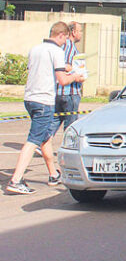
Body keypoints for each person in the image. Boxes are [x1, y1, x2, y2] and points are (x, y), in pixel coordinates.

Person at [5, 22, 85, 194]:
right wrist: (75, 77)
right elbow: (62, 80)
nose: (65, 43)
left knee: (45, 137)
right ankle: (16, 180)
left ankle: (53, 174)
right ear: (61, 35)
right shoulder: (56, 51)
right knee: (34, 140)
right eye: (64, 40)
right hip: (44, 100)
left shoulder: (35, 49)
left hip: (30, 98)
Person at [51, 21, 83, 135]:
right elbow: (65, 66)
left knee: (54, 121)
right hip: (69, 92)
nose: (81, 34)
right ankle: (68, 144)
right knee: (70, 125)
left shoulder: (61, 46)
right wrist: (78, 74)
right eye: (80, 31)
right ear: (73, 32)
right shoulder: (69, 47)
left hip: (58, 92)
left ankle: (43, 142)